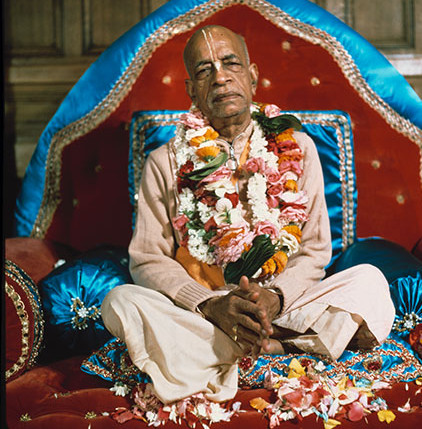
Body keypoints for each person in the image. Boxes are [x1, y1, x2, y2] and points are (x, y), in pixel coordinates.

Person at [101, 25, 395, 405]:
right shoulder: (165, 162)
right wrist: (209, 305)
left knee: (369, 282)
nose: (220, 78)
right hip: (204, 312)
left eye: (231, 64)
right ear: (192, 91)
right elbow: (147, 258)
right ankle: (279, 350)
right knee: (120, 301)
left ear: (252, 76)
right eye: (204, 70)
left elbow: (315, 250)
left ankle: (228, 353)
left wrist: (274, 298)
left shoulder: (298, 147)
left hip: (285, 307)